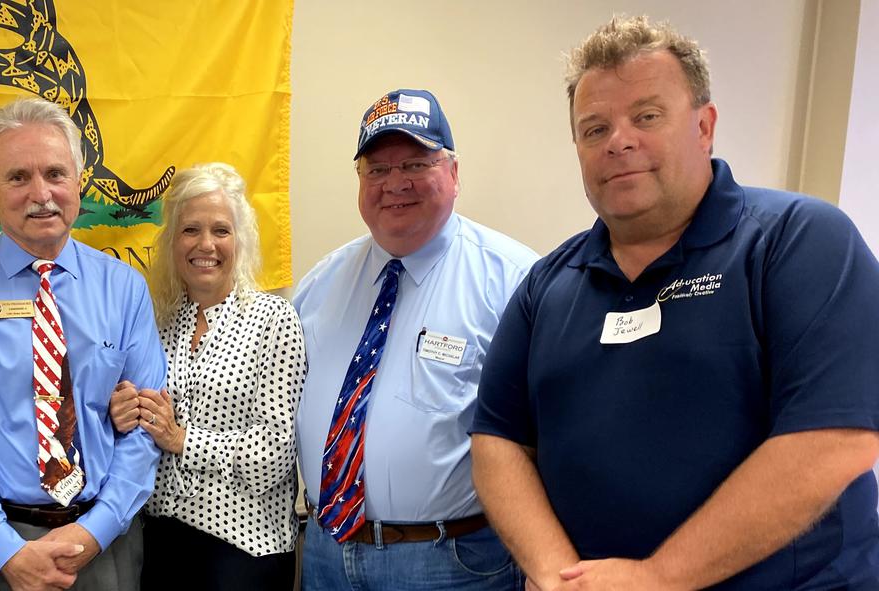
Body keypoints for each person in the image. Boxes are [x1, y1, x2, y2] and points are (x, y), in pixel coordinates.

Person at [470, 15, 879, 590]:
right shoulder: (546, 285)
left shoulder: (799, 241)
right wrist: (558, 575)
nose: (619, 140)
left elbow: (835, 439)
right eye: (594, 129)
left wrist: (660, 577)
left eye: (647, 116)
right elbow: (498, 439)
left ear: (705, 126)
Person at [0, 97, 166, 591]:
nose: (41, 193)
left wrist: (96, 530)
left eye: (55, 173)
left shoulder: (124, 288)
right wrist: (6, 551)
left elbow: (146, 427)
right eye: (18, 177)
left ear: (79, 181)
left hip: (105, 545)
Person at [294, 88, 537, 590]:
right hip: (326, 554)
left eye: (414, 163)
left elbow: (548, 435)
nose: (395, 184)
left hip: (450, 561)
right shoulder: (321, 285)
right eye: (376, 170)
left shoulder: (516, 282)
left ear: (453, 172)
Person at [107, 163, 305, 589]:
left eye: (221, 230)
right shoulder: (154, 322)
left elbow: (273, 454)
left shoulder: (274, 320)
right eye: (190, 230)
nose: (206, 244)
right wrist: (120, 415)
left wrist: (182, 439)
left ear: (241, 239)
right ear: (172, 241)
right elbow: (135, 435)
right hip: (158, 541)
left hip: (244, 546)